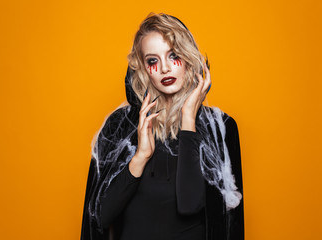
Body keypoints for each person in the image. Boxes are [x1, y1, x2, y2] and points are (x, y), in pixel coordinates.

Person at [80, 12, 244, 240]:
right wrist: (141, 156)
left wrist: (188, 120)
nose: (165, 68)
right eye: (153, 61)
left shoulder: (220, 128)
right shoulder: (120, 127)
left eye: (173, 55)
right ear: (144, 69)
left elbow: (190, 205)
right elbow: (100, 218)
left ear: (188, 58)